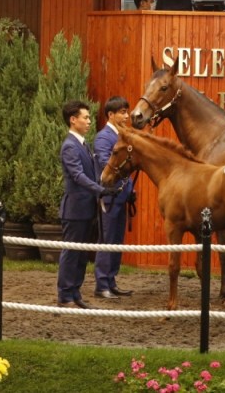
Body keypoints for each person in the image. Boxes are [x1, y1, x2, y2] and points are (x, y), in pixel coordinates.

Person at [57, 100, 116, 309]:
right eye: (85, 117)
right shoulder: (70, 146)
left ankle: (75, 292)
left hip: (86, 209)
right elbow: (77, 175)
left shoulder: (82, 144)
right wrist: (100, 189)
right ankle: (65, 295)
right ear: (73, 120)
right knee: (72, 253)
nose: (89, 121)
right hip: (74, 210)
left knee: (81, 255)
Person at [92, 96, 135, 299]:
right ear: (111, 115)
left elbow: (127, 167)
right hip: (109, 197)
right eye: (122, 112)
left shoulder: (122, 136)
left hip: (121, 196)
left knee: (117, 240)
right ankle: (102, 284)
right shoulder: (103, 138)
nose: (126, 116)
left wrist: (130, 190)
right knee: (107, 240)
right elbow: (105, 164)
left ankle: (111, 280)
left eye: (127, 112)